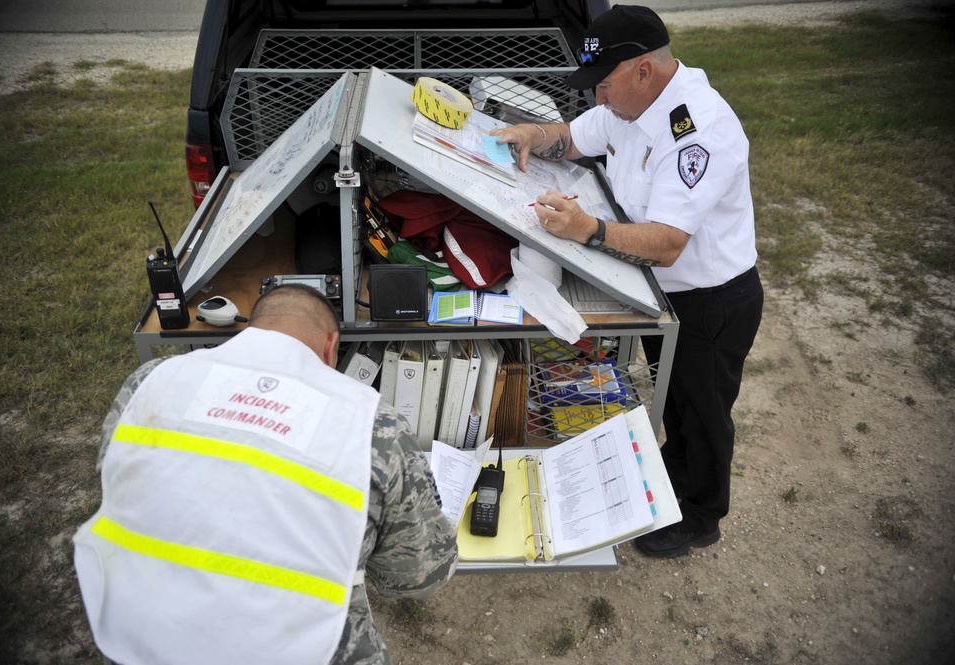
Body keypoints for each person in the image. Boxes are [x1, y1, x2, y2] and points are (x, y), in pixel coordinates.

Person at [492, 5, 764, 559]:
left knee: (704, 409)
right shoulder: (627, 104)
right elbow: (570, 138)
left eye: (604, 84)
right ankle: (675, 480)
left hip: (710, 298)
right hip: (661, 292)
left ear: (644, 70)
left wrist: (588, 230)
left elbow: (666, 243)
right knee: (676, 403)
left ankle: (701, 516)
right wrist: (532, 134)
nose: (597, 97)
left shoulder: (697, 128)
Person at [74, 285, 458, 665]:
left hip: (138, 639)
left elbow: (116, 482)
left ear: (248, 330)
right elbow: (416, 576)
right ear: (331, 346)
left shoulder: (150, 381)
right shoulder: (375, 425)